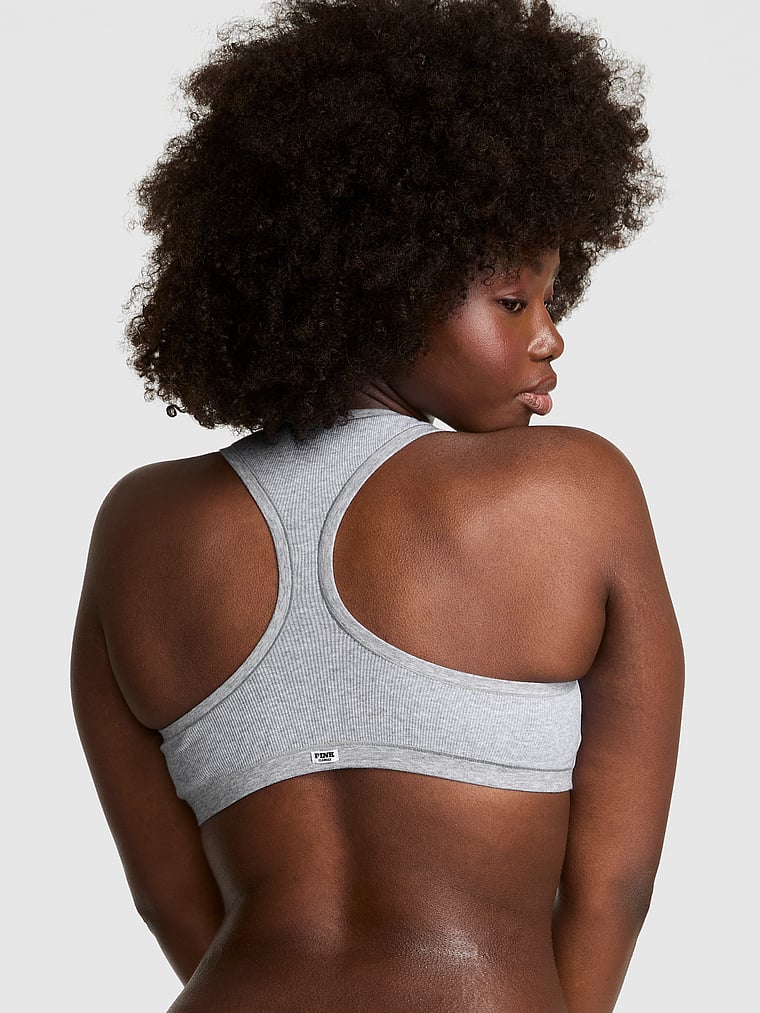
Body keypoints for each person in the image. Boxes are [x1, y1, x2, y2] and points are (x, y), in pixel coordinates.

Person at [70, 0, 684, 1009]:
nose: (549, 337)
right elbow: (614, 883)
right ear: (387, 285)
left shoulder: (139, 525)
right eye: (514, 300)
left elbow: (167, 897)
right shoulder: (575, 489)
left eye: (550, 301)